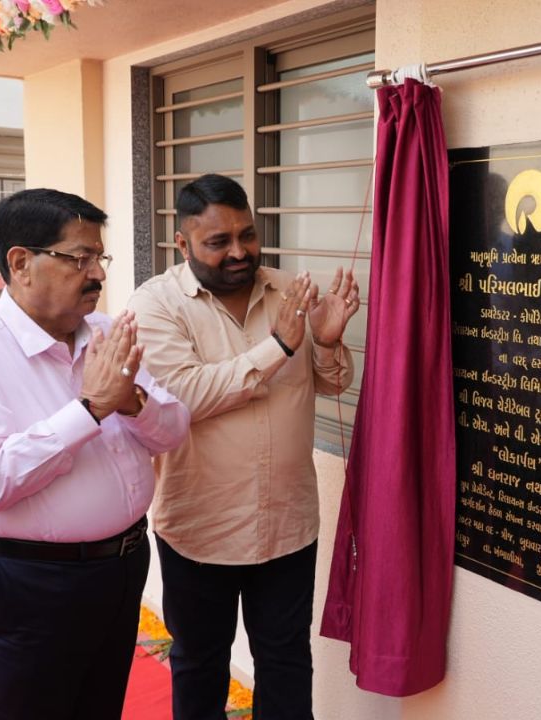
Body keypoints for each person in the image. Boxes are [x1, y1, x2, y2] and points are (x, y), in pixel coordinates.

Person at [0, 188, 191, 719]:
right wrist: (89, 410)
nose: (98, 274)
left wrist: (130, 400)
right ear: (20, 263)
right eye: (78, 258)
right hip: (25, 582)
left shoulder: (106, 333)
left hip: (121, 565)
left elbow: (173, 430)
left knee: (99, 705)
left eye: (99, 258)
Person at [128, 174, 358, 720]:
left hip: (288, 526)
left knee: (285, 663)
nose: (239, 252)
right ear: (182, 244)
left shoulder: (288, 292)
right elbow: (185, 397)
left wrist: (325, 343)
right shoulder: (156, 306)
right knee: (199, 664)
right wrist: (278, 346)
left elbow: (332, 382)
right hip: (200, 530)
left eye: (247, 235)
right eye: (218, 241)